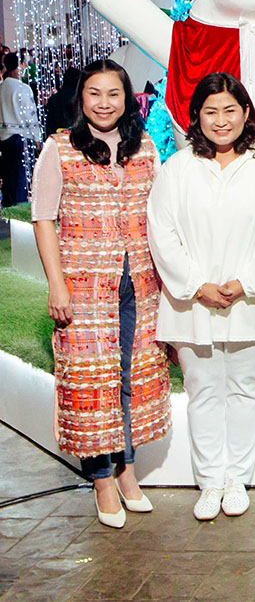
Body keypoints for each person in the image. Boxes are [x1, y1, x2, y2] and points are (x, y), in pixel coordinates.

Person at [30, 59, 171, 528]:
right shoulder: (59, 148)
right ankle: (102, 480)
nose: (104, 103)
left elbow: (159, 213)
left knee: (129, 376)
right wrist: (57, 284)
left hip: (139, 284)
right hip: (84, 287)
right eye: (94, 93)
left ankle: (127, 469)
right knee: (91, 383)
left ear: (127, 99)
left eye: (114, 93)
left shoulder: (144, 146)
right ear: (81, 98)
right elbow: (43, 218)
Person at [148, 73, 255, 521]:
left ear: (246, 112)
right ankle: (209, 481)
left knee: (246, 388)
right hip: (192, 302)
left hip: (251, 298)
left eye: (230, 110)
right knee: (202, 390)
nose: (221, 120)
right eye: (211, 111)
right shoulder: (177, 168)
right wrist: (196, 285)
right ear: (197, 116)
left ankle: (237, 480)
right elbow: (161, 233)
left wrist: (247, 281)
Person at [1, 51, 42, 205]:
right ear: (18, 66)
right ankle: (19, 208)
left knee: (8, 177)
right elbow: (30, 115)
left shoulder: (2, 87)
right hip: (21, 137)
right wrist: (37, 138)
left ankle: (8, 208)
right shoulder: (22, 88)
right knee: (21, 179)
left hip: (4, 137)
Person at [45, 67, 82, 136]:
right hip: (76, 135)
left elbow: (50, 124)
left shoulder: (54, 99)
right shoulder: (80, 98)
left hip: (56, 135)